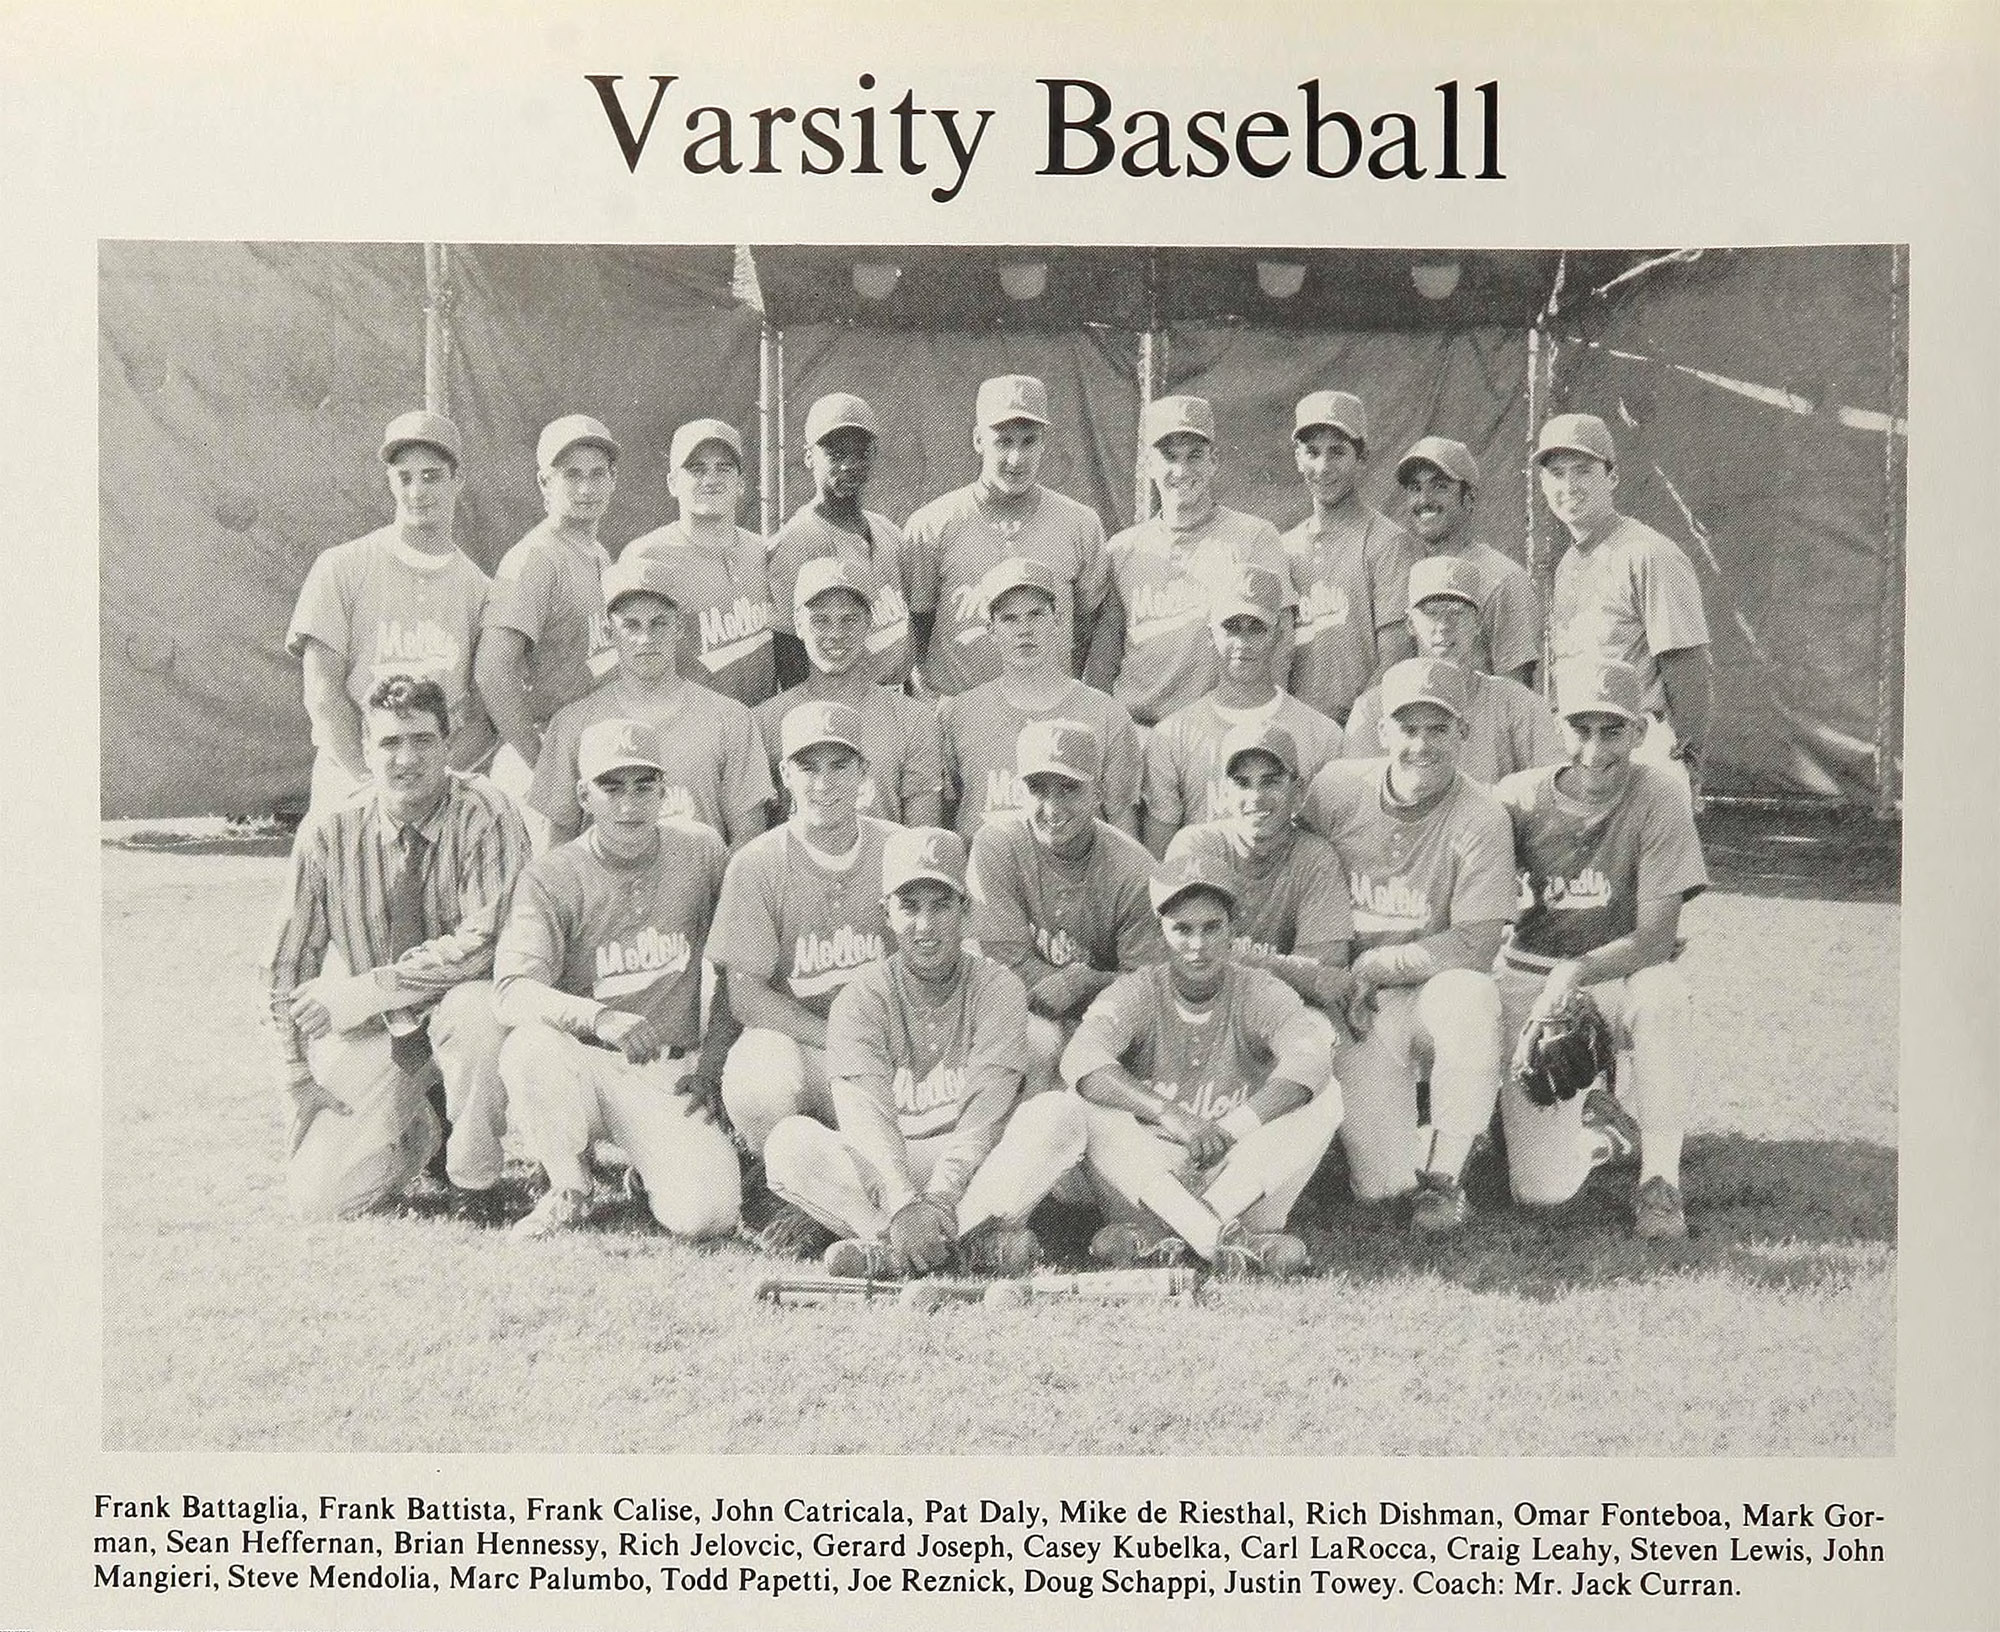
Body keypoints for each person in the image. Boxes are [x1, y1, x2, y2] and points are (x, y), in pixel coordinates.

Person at [761, 826, 1090, 1276]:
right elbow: (865, 1120)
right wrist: (902, 1204)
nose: (925, 925)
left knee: (1060, 1115)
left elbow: (984, 1116)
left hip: (971, 1167)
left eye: (941, 906)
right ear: (886, 914)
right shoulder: (861, 997)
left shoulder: (998, 987)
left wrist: (938, 1200)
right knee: (788, 1143)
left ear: (966, 911)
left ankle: (894, 1254)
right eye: (909, 907)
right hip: (891, 1165)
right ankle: (965, 1248)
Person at [262, 674, 529, 1220]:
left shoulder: (487, 811)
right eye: (389, 742)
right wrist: (296, 1074)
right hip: (384, 1032)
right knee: (318, 1202)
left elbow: (487, 943)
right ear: (364, 749)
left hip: (462, 1013)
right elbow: (287, 962)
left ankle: (474, 1182)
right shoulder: (328, 831)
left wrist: (368, 989)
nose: (407, 759)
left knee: (476, 1012)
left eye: (423, 740)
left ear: (449, 741)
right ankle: (422, 1129)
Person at [494, 719, 740, 1241]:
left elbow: (736, 964)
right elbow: (513, 989)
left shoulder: (700, 851)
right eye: (611, 787)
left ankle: (647, 1170)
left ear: (665, 790)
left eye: (643, 786)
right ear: (584, 795)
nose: (629, 804)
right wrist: (598, 1017)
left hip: (669, 1069)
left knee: (708, 1216)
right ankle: (568, 1186)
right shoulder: (554, 873)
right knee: (529, 1049)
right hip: (584, 1065)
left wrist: (714, 1062)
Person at [1493, 659, 1708, 1240]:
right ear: (1557, 726)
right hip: (1527, 979)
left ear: (1639, 732)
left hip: (1615, 975)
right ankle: (1600, 1131)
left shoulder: (1660, 794)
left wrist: (1577, 970)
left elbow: (1657, 938)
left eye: (1611, 731)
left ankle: (1659, 1182)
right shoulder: (1516, 797)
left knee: (1663, 994)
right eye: (1580, 729)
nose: (1593, 749)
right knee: (1539, 1194)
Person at [1299, 658, 1516, 1235]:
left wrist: (1376, 962)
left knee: (1470, 997)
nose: (1422, 744)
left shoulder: (1481, 815)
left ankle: (1446, 1177)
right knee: (1380, 1189)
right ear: (1383, 733)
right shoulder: (1337, 788)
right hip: (1360, 1004)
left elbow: (1474, 945)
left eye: (1439, 729)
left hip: (1431, 990)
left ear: (1464, 735)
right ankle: (1445, 1132)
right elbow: (1299, 872)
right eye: (1409, 728)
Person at [1059, 853, 1340, 1278]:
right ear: (1161, 932)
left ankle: (1174, 1236)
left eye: (1212, 927)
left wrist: (1233, 1127)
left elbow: (1311, 1059)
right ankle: (1226, 1242)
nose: (1198, 945)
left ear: (1232, 928)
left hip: (1238, 1176)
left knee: (1328, 1095)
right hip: (1153, 1177)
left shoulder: (1260, 989)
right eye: (1182, 929)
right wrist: (1168, 1113)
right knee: (1079, 1099)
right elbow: (1081, 1058)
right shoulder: (1136, 990)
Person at [709, 701, 896, 1167]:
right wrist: (833, 1035)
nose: (824, 783)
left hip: (887, 1046)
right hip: (803, 1043)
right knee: (758, 1075)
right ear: (784, 775)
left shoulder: (897, 848)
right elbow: (746, 997)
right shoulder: (757, 862)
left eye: (839, 765)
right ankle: (778, 1180)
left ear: (863, 772)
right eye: (807, 767)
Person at [286, 411, 496, 820]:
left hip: (439, 795)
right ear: (390, 481)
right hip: (351, 787)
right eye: (405, 477)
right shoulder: (340, 566)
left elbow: (484, 715)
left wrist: (437, 785)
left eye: (432, 476)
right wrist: (372, 781)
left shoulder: (480, 589)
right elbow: (322, 693)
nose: (417, 491)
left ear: (459, 480)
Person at [967, 720, 1163, 1099]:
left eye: (1070, 788)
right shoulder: (997, 844)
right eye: (1037, 789)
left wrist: (1086, 982)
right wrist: (1070, 984)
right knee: (1034, 1039)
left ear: (1098, 792)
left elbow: (1149, 986)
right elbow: (1003, 965)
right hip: (1023, 1010)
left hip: (1106, 1020)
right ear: (1018, 790)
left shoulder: (1135, 870)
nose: (1052, 807)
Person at [527, 552, 772, 849]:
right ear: (609, 633)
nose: (646, 638)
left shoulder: (730, 718)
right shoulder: (573, 723)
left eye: (658, 624)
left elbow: (749, 840)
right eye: (631, 625)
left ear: (679, 628)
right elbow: (557, 849)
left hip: (702, 890)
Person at [1535, 412, 1713, 806]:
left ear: (1612, 477)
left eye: (1583, 470)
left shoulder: (1649, 553)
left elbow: (1688, 666)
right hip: (1586, 748)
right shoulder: (1568, 562)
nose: (1569, 485)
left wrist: (1689, 759)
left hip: (1642, 744)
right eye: (1557, 473)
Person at [1088, 395, 1296, 728]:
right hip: (1140, 729)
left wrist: (1259, 725)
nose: (1182, 471)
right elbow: (1104, 658)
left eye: (1194, 456)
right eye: (1169, 457)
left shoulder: (1254, 536)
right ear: (1149, 465)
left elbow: (1280, 642)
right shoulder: (1123, 548)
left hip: (1219, 730)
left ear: (1214, 460)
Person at [904, 374, 1110, 696]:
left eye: (1028, 441)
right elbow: (917, 624)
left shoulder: (1080, 523)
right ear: (978, 440)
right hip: (958, 710)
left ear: (1044, 441)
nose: (1016, 459)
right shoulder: (932, 524)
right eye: (1003, 441)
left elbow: (1086, 622)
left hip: (1046, 713)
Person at [476, 414, 624, 841]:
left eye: (598, 474)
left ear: (613, 480)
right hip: (541, 758)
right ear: (544, 483)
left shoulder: (599, 554)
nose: (586, 488)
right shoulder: (534, 559)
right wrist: (542, 764)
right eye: (571, 475)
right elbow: (492, 671)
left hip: (587, 758)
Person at [1162, 721, 1357, 1025]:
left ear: (1298, 790)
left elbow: (1325, 972)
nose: (1256, 797)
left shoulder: (1315, 857)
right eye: (1242, 783)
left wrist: (1236, 959)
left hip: (1280, 1009)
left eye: (1270, 781)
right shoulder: (1196, 845)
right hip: (1202, 1006)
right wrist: (1295, 971)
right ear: (1223, 794)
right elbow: (1189, 955)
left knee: (1315, 1028)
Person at [1141, 564, 1343, 856]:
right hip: (1202, 892)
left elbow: (1327, 845)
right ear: (1211, 635)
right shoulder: (1172, 736)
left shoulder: (1322, 735)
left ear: (1278, 635)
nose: (1242, 643)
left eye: (1256, 629)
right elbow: (1161, 855)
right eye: (1231, 628)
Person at [939, 556, 1142, 840]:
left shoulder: (1105, 714)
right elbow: (947, 815)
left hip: (1075, 879)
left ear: (1057, 621)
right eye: (1009, 618)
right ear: (992, 631)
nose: (1024, 630)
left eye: (1036, 614)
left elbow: (1122, 827)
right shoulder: (958, 713)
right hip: (986, 876)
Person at [1342, 556, 1564, 786]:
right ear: (1409, 624)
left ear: (1477, 622)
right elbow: (1354, 796)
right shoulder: (1374, 708)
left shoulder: (1516, 704)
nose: (1444, 626)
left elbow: (1551, 784)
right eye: (1430, 612)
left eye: (1457, 611)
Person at [754, 557, 943, 826]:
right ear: (798, 624)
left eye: (849, 619)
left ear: (869, 622)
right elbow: (760, 841)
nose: (836, 633)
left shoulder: (912, 719)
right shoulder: (765, 721)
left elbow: (921, 837)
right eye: (821, 620)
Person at [1282, 391, 1422, 726]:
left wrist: (1357, 727)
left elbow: (1396, 657)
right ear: (1298, 458)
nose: (1323, 466)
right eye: (1312, 452)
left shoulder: (1388, 543)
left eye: (1338, 452)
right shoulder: (1284, 547)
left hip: (1361, 731)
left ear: (1362, 457)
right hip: (1295, 733)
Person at [622, 418, 776, 708]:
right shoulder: (648, 558)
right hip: (689, 734)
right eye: (697, 469)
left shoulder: (762, 552)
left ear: (741, 483)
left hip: (758, 729)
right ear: (672, 483)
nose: (711, 479)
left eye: (724, 468)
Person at [767, 393, 915, 689]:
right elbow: (789, 657)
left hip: (892, 702)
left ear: (873, 454)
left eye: (860, 453)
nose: (849, 465)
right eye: (835, 454)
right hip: (838, 707)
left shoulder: (888, 531)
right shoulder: (796, 542)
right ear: (809, 456)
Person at [1394, 435, 1543, 688]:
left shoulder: (1503, 579)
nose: (1424, 499)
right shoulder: (1404, 572)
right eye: (1415, 488)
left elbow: (1515, 695)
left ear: (1470, 498)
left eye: (1440, 486)